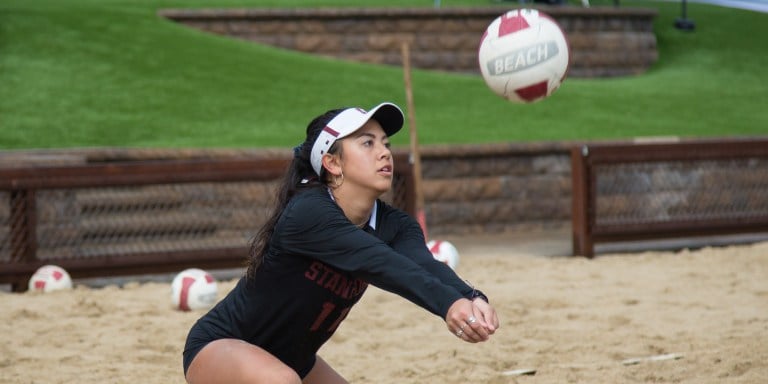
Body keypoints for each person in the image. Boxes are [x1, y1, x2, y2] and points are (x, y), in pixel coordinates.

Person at [182, 102, 500, 384]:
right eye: (367, 143)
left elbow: (423, 264)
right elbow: (382, 263)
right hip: (220, 347)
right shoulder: (308, 213)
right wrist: (448, 305)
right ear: (333, 163)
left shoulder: (394, 224)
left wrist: (471, 297)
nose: (385, 151)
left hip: (296, 362)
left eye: (386, 144)